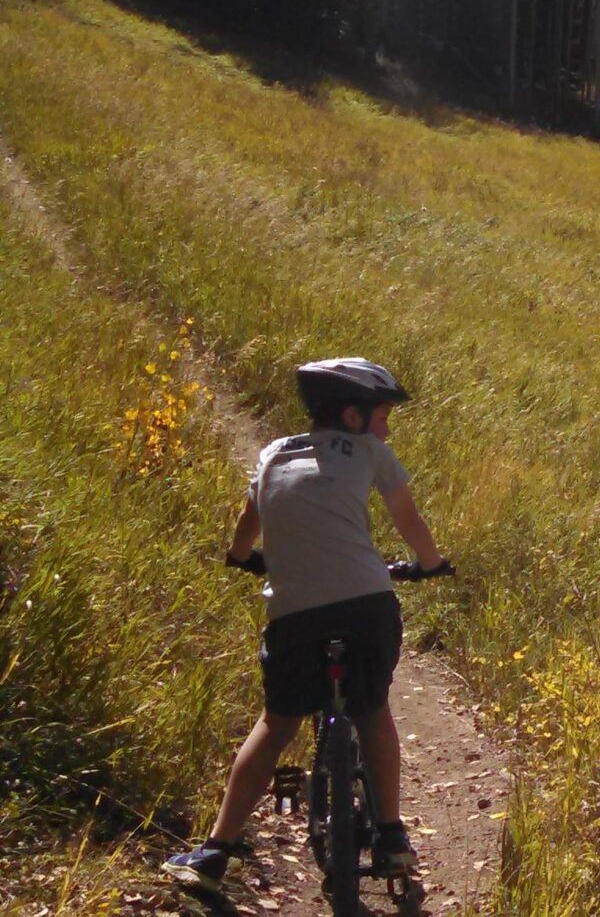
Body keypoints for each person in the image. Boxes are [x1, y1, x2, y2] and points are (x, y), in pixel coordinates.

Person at [162, 358, 451, 893]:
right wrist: (430, 563)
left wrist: (241, 555)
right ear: (352, 415)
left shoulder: (272, 453)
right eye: (383, 416)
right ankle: (391, 836)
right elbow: (408, 520)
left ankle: (216, 850)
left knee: (276, 724)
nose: (386, 428)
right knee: (372, 709)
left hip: (294, 615)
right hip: (367, 605)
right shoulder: (371, 452)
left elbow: (250, 521)